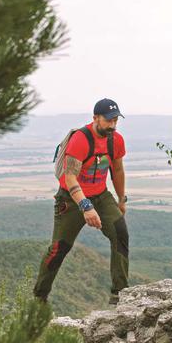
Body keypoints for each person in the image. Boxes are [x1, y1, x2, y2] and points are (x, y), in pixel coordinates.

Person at [33, 98, 129, 305]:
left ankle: (120, 294)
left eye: (115, 121)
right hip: (71, 199)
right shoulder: (81, 140)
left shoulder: (116, 140)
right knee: (59, 248)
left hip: (101, 195)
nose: (112, 125)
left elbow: (118, 170)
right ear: (95, 118)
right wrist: (86, 207)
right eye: (108, 120)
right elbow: (69, 178)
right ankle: (39, 297)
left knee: (120, 233)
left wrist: (121, 199)